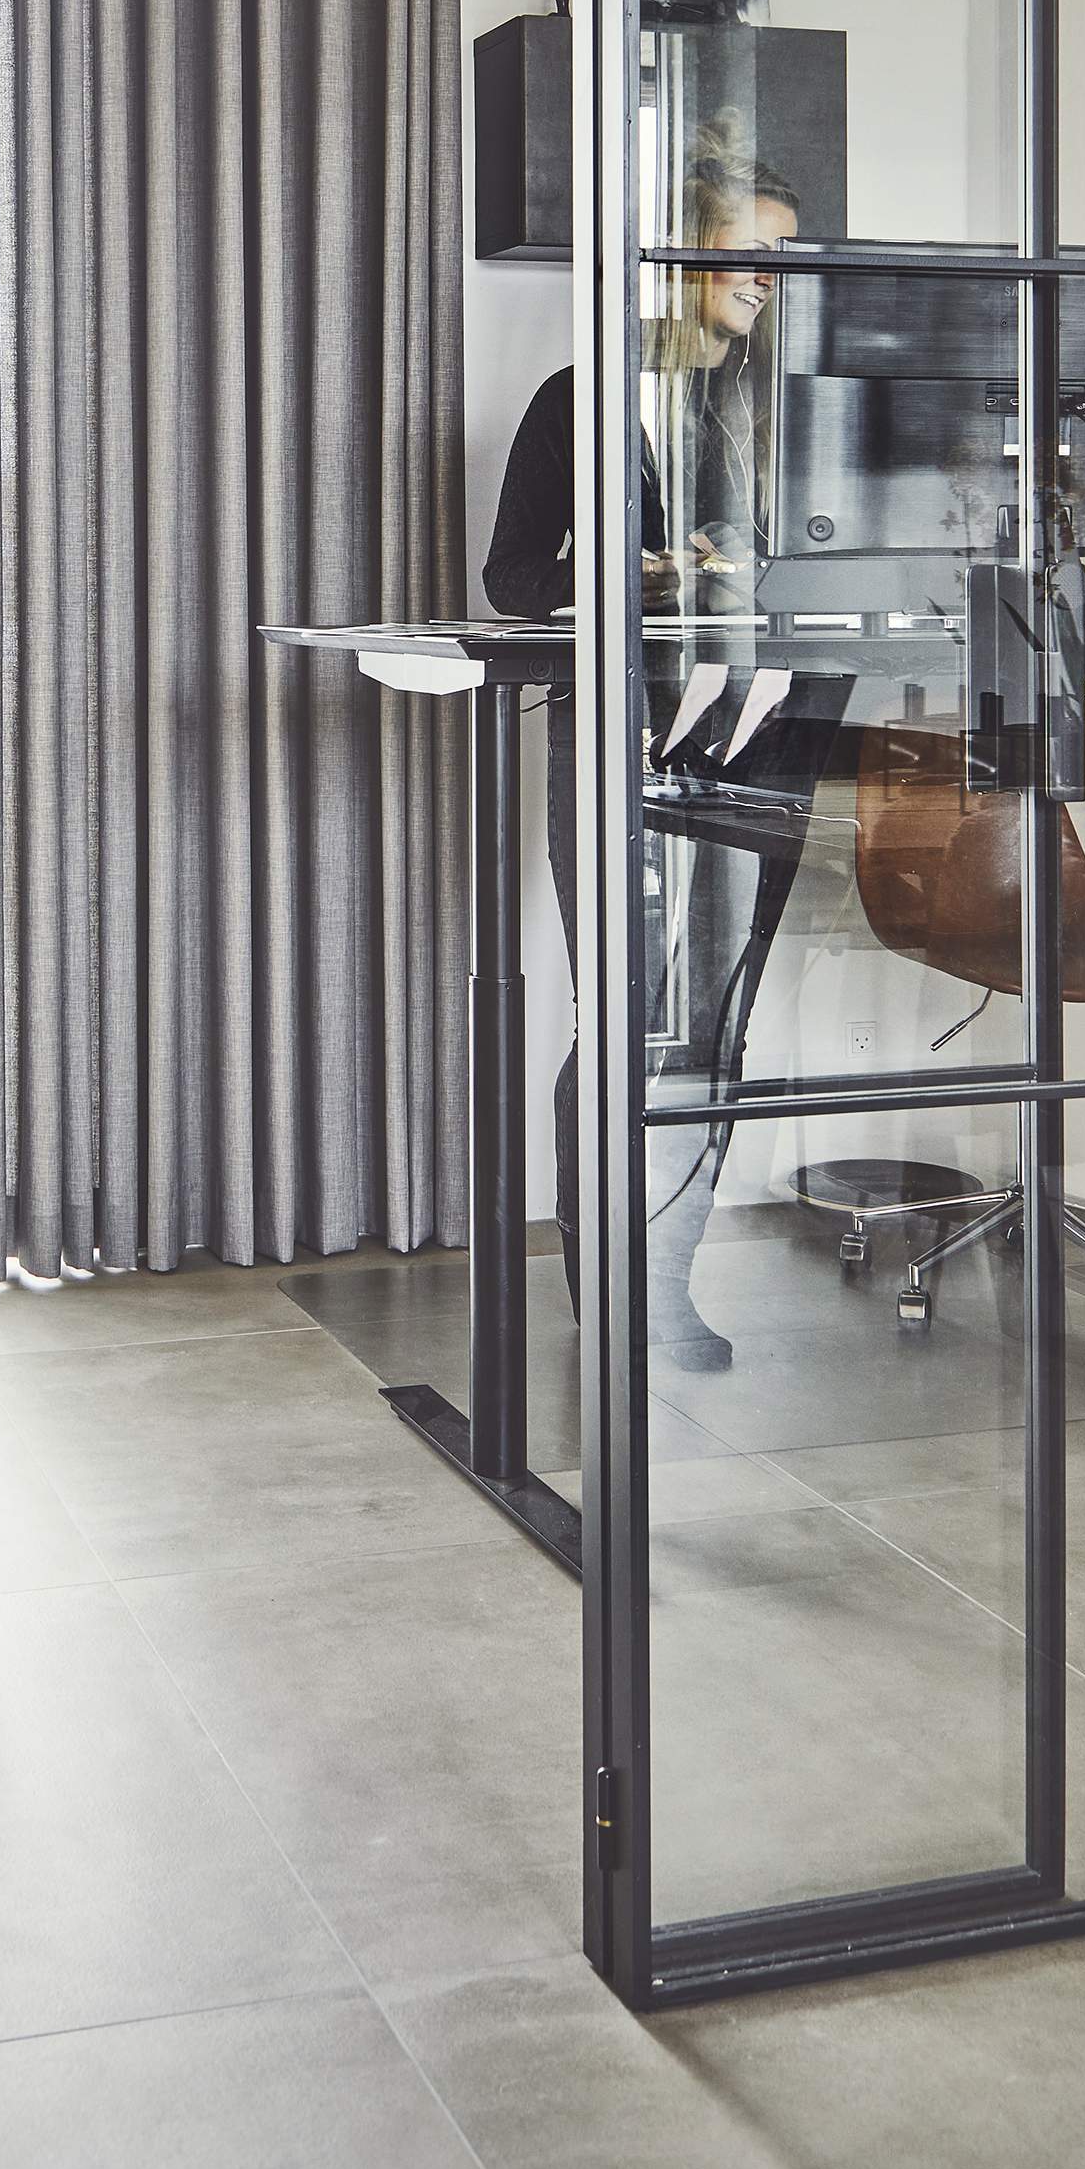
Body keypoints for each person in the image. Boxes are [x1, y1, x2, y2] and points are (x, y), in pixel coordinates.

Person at [481, 115, 798, 1360]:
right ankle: (601, 1290)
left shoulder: (769, 408)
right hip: (617, 737)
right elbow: (512, 581)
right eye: (749, 253)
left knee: (712, 1020)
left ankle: (664, 1278)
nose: (770, 278)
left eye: (783, 256)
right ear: (676, 258)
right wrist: (648, 567)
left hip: (747, 736)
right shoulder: (582, 397)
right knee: (624, 1012)